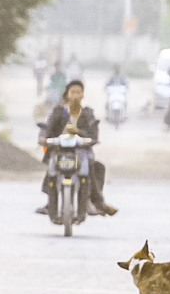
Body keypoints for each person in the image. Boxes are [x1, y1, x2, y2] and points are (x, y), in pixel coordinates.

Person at [40, 80, 118, 216]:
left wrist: (78, 131)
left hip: (82, 151)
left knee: (93, 166)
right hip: (60, 149)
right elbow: (47, 127)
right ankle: (50, 202)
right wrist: (43, 138)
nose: (76, 95)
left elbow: (93, 132)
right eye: (73, 92)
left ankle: (94, 201)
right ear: (67, 94)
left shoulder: (87, 113)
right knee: (53, 166)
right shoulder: (58, 112)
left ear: (83, 95)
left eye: (79, 92)